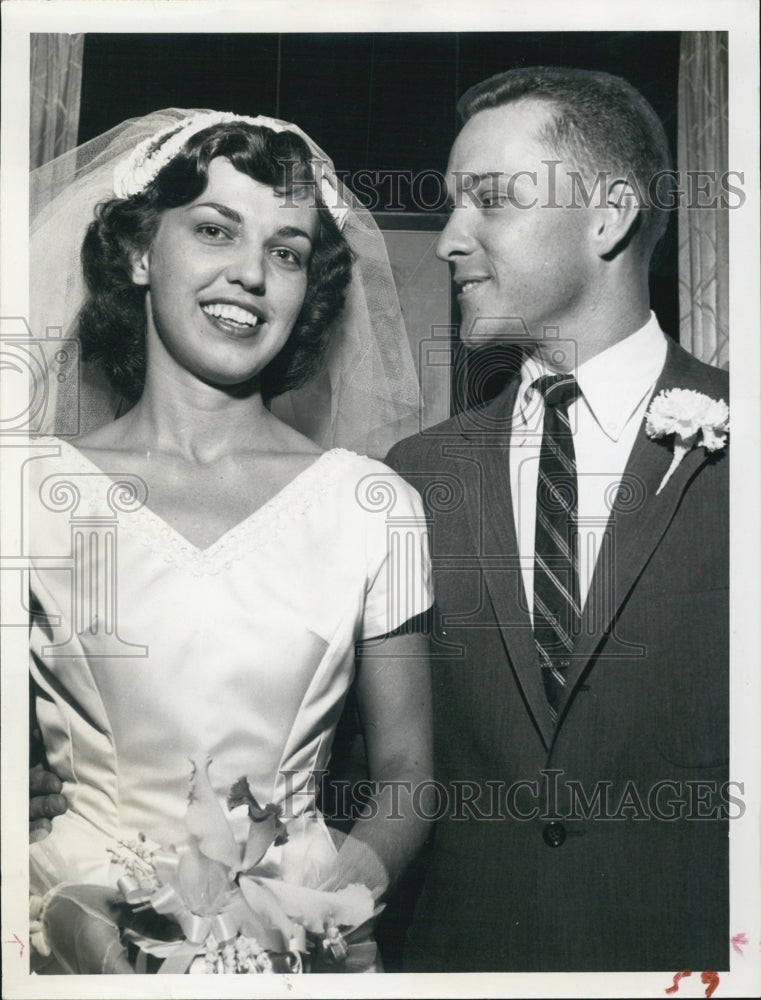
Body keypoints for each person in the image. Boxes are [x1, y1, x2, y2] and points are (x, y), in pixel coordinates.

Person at [25, 110, 433, 974]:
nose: (250, 273)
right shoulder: (25, 496)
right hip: (70, 942)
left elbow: (407, 776)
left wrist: (323, 911)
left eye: (286, 252)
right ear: (140, 253)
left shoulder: (371, 505)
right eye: (215, 230)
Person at [386, 66, 729, 972]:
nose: (448, 240)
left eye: (490, 200)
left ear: (608, 216)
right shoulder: (414, 476)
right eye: (452, 204)